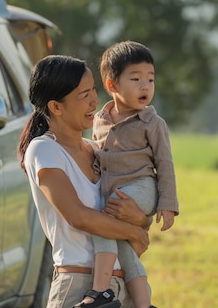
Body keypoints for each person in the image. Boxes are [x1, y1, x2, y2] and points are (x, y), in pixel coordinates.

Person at [18, 55, 151, 308]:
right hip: (79, 288)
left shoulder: (99, 150)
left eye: (93, 91)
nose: (95, 101)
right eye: (84, 95)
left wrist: (141, 220)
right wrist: (134, 231)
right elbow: (78, 216)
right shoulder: (44, 150)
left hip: (126, 287)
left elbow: (130, 214)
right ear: (56, 107)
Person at [87, 41, 179, 308]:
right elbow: (98, 155)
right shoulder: (99, 119)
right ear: (112, 86)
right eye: (136, 79)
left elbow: (165, 164)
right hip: (115, 191)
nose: (145, 86)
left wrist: (168, 204)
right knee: (126, 250)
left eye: (150, 79)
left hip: (142, 187)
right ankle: (144, 304)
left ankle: (101, 290)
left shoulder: (153, 123)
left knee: (103, 222)